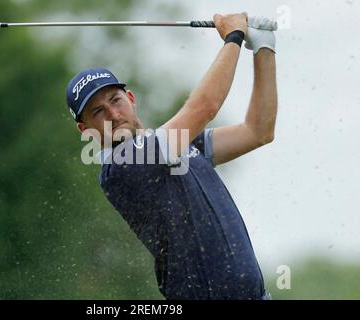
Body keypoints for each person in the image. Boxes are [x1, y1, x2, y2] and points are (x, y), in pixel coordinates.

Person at [65, 13, 278, 300]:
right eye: (98, 111)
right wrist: (233, 38)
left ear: (130, 99)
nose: (113, 115)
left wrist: (264, 49)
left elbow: (258, 131)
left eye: (114, 100)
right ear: (85, 129)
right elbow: (205, 106)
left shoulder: (176, 145)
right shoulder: (122, 165)